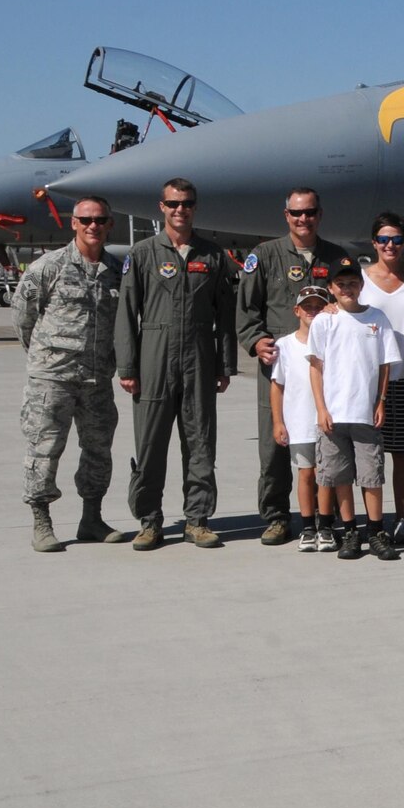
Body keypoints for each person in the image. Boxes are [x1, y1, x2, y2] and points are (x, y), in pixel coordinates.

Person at [115, 178, 237, 550]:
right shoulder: (143, 254)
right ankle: (149, 521)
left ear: (194, 207)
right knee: (150, 444)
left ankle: (197, 520)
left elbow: (226, 316)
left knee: (200, 442)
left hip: (198, 357)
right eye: (172, 204)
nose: (179, 210)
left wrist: (224, 364)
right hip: (154, 357)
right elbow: (126, 313)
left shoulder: (213, 255)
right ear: (161, 207)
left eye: (186, 203)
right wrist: (128, 367)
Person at [235, 187, 349, 545]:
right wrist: (255, 340)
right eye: (296, 213)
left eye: (310, 212)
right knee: (276, 445)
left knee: (326, 445)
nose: (304, 219)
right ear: (286, 215)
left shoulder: (336, 256)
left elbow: (348, 300)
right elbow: (246, 309)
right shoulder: (265, 255)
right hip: (280, 365)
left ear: (319, 214)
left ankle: (321, 518)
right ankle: (276, 516)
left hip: (327, 368)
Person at [14, 195, 127, 551]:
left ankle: (91, 518)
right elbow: (23, 319)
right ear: (74, 223)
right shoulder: (48, 267)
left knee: (98, 449)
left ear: (110, 224)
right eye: (86, 219)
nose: (93, 225)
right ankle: (41, 521)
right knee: (44, 448)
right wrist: (46, 358)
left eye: (100, 220)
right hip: (53, 379)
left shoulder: (116, 269)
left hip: (97, 379)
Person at [309, 257, 403, 561]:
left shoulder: (377, 318)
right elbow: (316, 368)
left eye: (352, 283)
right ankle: (350, 530)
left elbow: (384, 363)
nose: (347, 288)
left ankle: (376, 530)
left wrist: (381, 400)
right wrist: (321, 408)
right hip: (334, 414)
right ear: (331, 289)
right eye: (341, 284)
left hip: (365, 411)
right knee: (339, 476)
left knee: (371, 475)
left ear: (362, 286)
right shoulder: (325, 320)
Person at [360, 212, 404, 545]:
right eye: (384, 239)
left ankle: (402, 518)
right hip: (368, 383)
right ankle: (373, 521)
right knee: (368, 455)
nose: (390, 245)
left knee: (402, 453)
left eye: (397, 240)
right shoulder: (359, 280)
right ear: (374, 243)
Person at [269, 285, 335, 550]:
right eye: (308, 307)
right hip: (299, 422)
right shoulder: (285, 345)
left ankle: (327, 525)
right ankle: (308, 526)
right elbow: (278, 386)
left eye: (319, 306)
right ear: (297, 311)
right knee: (306, 475)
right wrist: (278, 421)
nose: (313, 311)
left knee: (326, 476)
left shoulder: (332, 340)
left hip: (328, 421)